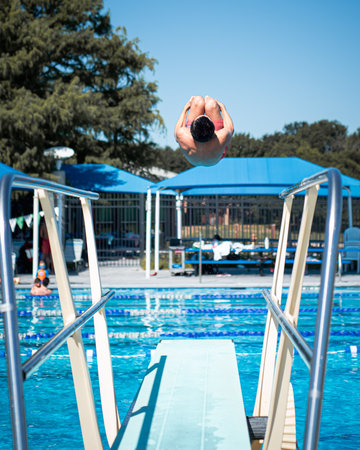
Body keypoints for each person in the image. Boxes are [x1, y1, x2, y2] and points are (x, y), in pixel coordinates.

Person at [174, 96, 234, 166]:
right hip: (214, 155)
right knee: (211, 104)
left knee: (197, 101)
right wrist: (222, 108)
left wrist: (186, 108)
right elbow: (230, 128)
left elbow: (177, 130)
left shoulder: (182, 135)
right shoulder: (222, 137)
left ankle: (202, 103)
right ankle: (211, 104)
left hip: (195, 158)